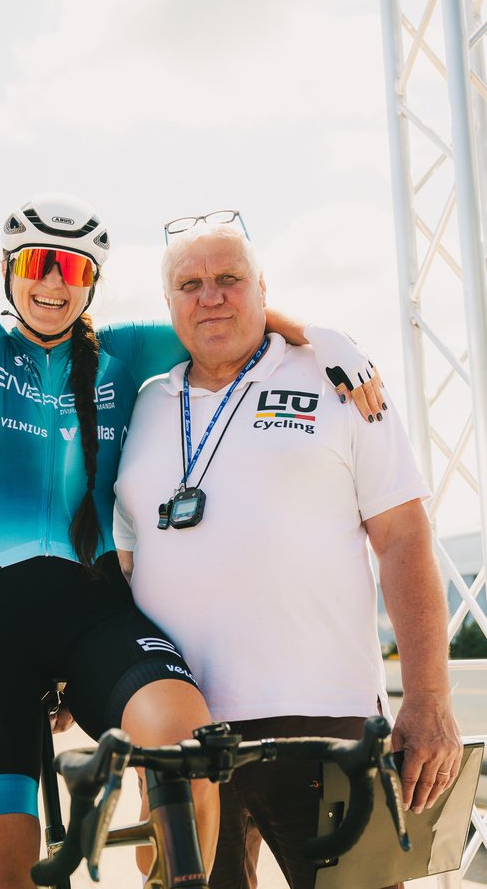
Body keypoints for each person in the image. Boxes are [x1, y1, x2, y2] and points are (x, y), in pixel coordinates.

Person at [0, 0, 384, 888]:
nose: (53, 283)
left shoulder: (125, 354)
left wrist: (324, 339)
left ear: (92, 282)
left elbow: (227, 319)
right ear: (11, 271)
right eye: (37, 263)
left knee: (190, 741)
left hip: (92, 607)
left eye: (73, 269)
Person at [113, 220, 464, 889]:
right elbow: (123, 569)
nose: (210, 296)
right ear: (168, 304)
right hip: (182, 737)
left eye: (229, 279)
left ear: (263, 290)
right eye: (190, 284)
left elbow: (403, 535)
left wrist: (428, 695)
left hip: (326, 721)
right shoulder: (143, 406)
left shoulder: (341, 380)